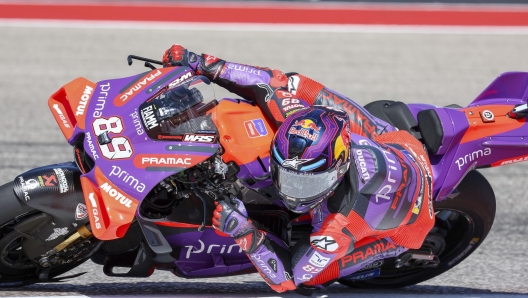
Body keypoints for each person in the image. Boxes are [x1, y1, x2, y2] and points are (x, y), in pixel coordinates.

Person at [162, 45, 435, 295]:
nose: (291, 191)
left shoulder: (336, 227)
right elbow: (269, 82)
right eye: (285, 174)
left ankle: (385, 251)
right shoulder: (294, 118)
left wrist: (242, 230)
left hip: (412, 222)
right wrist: (202, 63)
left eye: (305, 183)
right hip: (393, 142)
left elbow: (287, 280)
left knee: (310, 279)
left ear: (338, 170)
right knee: (293, 83)